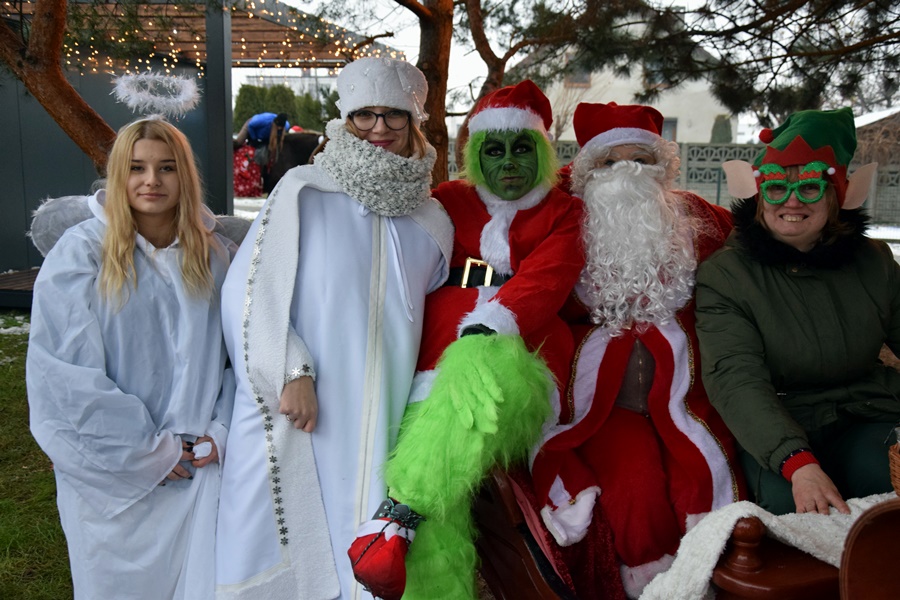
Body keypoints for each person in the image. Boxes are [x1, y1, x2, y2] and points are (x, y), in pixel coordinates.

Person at [214, 57, 453, 600]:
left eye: (394, 116)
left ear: (414, 121)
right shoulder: (303, 192)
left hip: (386, 408)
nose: (379, 129)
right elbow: (250, 291)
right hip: (302, 404)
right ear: (344, 120)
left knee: (365, 531)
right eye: (364, 115)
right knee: (289, 539)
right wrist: (291, 369)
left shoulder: (432, 220)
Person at [349, 80, 585, 600]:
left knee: (480, 370)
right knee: (441, 516)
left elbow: (546, 280)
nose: (508, 163)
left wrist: (485, 328)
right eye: (493, 150)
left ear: (542, 152)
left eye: (521, 148)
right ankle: (410, 552)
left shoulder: (564, 212)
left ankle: (394, 514)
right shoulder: (447, 201)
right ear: (475, 154)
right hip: (428, 363)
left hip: (523, 359)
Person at [529, 102, 746, 599]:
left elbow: (753, 265)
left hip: (687, 395)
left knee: (700, 475)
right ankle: (654, 586)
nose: (626, 171)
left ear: (663, 167)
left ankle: (712, 580)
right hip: (602, 407)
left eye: (640, 159)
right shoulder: (564, 222)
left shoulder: (698, 219)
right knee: (635, 483)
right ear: (586, 170)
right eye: (609, 161)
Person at [26, 116, 236, 599]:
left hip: (198, 470)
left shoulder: (214, 257)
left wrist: (220, 432)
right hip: (113, 479)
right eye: (136, 168)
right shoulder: (81, 256)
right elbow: (64, 375)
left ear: (185, 175)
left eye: (166, 168)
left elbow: (235, 361)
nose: (151, 181)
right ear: (118, 175)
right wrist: (147, 454)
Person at [695, 107, 899, 517]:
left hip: (868, 413)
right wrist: (799, 463)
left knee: (884, 491)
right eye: (776, 188)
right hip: (779, 424)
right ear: (758, 197)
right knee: (793, 511)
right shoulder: (726, 275)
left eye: (808, 188)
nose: (791, 201)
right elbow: (736, 379)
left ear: (835, 196)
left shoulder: (873, 262)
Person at [233, 112, 290, 197]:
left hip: (266, 137)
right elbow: (251, 126)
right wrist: (254, 138)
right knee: (238, 142)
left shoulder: (286, 126)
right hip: (252, 128)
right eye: (277, 127)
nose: (278, 128)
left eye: (280, 128)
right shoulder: (263, 121)